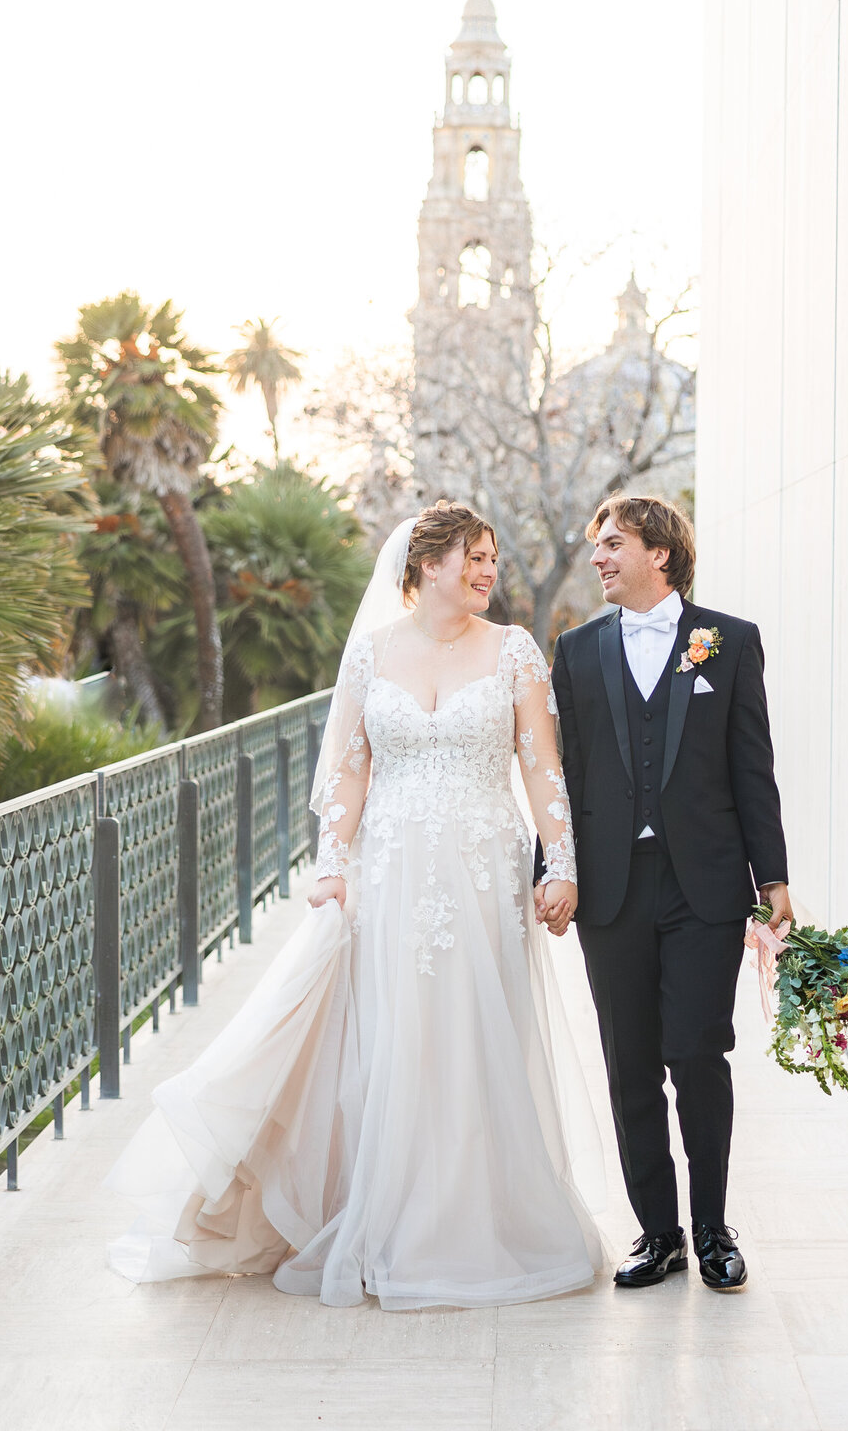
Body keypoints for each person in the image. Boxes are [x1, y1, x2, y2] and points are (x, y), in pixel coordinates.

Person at [106, 501, 604, 1309]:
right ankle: (390, 1222)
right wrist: (333, 866)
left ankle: (479, 1221)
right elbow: (348, 770)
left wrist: (562, 867)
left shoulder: (513, 653)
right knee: (396, 1039)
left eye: (493, 561)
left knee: (477, 1035)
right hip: (394, 869)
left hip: (484, 870)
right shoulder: (371, 656)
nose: (489, 573)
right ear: (427, 565)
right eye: (475, 558)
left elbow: (544, 768)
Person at [549, 495, 792, 1293]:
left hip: (706, 887)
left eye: (613, 544)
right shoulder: (577, 652)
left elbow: (752, 770)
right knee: (628, 1067)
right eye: (597, 547)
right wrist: (558, 869)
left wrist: (773, 879)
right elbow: (564, 779)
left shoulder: (728, 642)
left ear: (661, 551)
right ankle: (658, 1234)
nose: (599, 559)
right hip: (613, 891)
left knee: (698, 1054)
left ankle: (714, 1228)